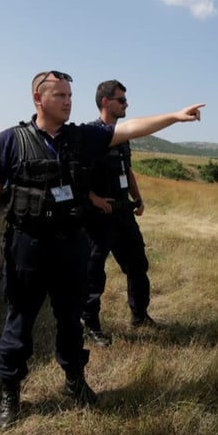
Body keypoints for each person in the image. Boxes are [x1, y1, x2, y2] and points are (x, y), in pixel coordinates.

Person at [0, 70, 203, 429]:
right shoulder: (10, 141)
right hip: (27, 246)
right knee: (20, 321)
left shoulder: (81, 138)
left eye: (70, 95)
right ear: (38, 99)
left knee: (69, 319)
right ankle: (11, 393)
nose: (68, 101)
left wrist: (174, 116)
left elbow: (130, 129)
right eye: (60, 96)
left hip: (70, 243)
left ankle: (74, 381)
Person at [81, 80, 156, 348]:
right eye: (121, 100)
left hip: (123, 212)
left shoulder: (122, 135)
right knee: (93, 273)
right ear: (105, 101)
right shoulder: (90, 135)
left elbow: (128, 169)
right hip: (99, 216)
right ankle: (90, 326)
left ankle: (139, 314)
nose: (126, 105)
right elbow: (76, 173)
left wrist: (138, 197)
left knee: (138, 264)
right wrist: (94, 198)